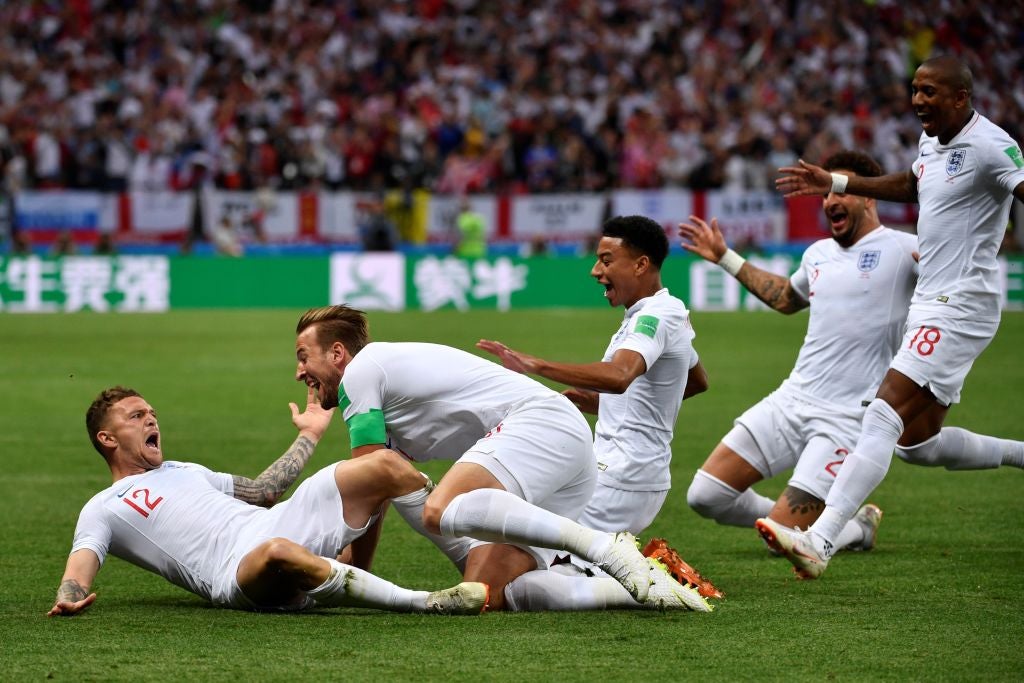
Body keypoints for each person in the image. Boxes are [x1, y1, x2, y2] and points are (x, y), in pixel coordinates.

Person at [762, 55, 1024, 579]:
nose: (918, 100)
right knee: (916, 444)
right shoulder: (933, 142)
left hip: (961, 302)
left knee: (882, 413)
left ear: (960, 98)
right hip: (934, 299)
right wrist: (838, 182)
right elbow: (912, 185)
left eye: (930, 92)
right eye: (915, 90)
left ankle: (820, 541)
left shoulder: (994, 147)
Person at [293, 305, 693, 611]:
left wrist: (341, 571)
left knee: (441, 507)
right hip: (561, 453)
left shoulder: (362, 371)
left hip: (540, 424)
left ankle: (606, 550)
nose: (299, 372)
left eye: (303, 356)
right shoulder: (381, 403)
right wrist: (356, 575)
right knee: (489, 594)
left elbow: (365, 478)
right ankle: (641, 586)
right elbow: (375, 491)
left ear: (338, 353)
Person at [48, 385, 488, 617]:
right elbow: (79, 569)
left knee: (384, 464)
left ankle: (472, 558)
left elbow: (263, 494)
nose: (151, 418)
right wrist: (71, 596)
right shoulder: (104, 506)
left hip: (277, 521)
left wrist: (309, 434)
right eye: (136, 416)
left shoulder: (186, 470)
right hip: (237, 572)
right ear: (107, 438)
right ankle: (423, 601)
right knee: (278, 552)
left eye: (151, 413)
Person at [678, 150, 917, 554]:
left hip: (846, 418)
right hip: (792, 400)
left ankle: (855, 530)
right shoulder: (816, 254)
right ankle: (795, 524)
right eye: (824, 195)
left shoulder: (904, 250)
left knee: (780, 543)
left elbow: (962, 273)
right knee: (704, 496)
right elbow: (788, 298)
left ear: (867, 197)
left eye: (838, 191)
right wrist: (725, 257)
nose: (829, 202)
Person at [476, 213, 716, 611]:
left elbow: (621, 375)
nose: (595, 270)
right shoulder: (658, 312)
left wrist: (536, 365)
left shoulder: (658, 316)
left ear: (640, 265)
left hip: (623, 477)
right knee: (496, 559)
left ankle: (648, 580)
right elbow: (694, 382)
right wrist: (592, 402)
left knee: (506, 590)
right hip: (614, 468)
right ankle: (610, 567)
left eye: (606, 260)